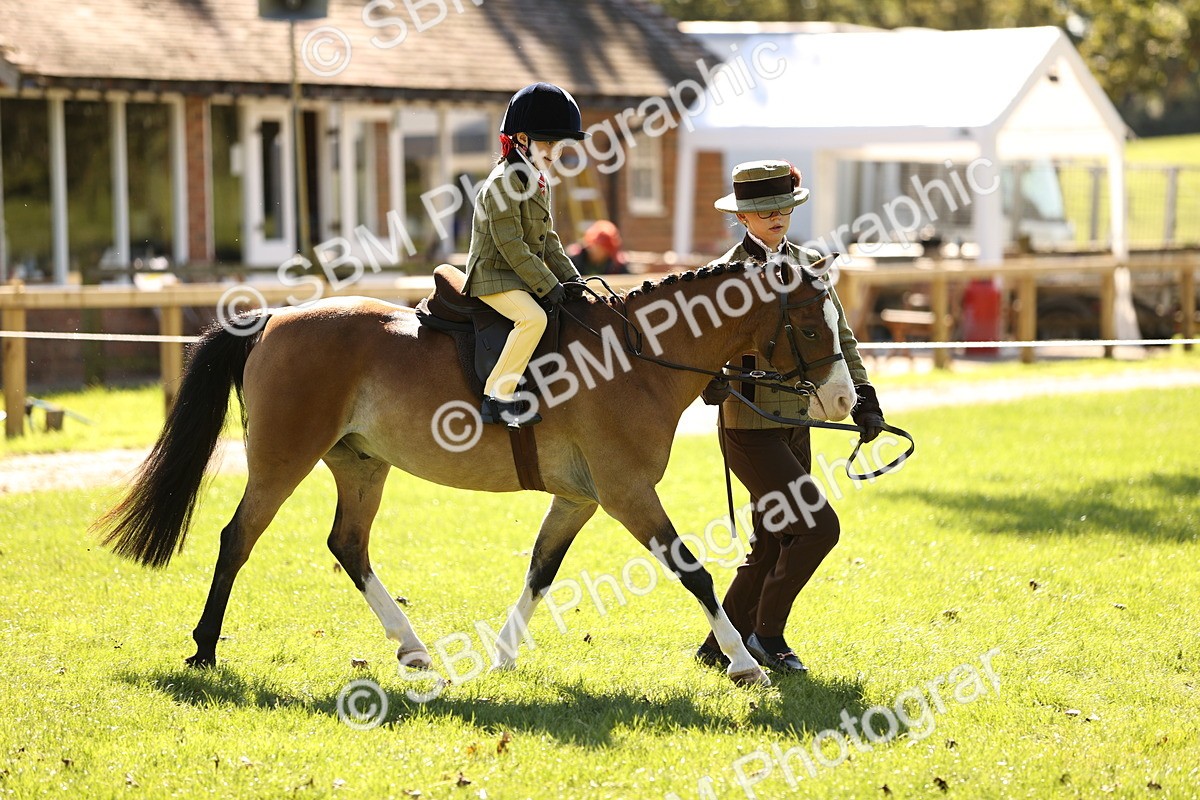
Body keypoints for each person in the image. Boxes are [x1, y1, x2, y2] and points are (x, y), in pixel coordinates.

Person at [695, 160, 887, 675]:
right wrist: (708, 379)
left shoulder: (810, 264)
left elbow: (838, 336)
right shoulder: (726, 275)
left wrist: (865, 395)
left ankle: (720, 645)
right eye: (762, 210)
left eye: (782, 206)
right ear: (742, 218)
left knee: (774, 537)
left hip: (798, 420)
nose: (775, 216)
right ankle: (767, 636)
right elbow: (703, 347)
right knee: (817, 528)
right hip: (749, 425)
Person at [462, 83, 588, 427]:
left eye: (558, 145)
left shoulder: (536, 181)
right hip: (493, 275)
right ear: (520, 139)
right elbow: (512, 246)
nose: (554, 152)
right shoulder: (503, 183)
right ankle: (497, 397)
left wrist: (574, 279)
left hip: (516, 275)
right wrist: (549, 284)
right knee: (534, 318)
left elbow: (547, 240)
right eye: (548, 143)